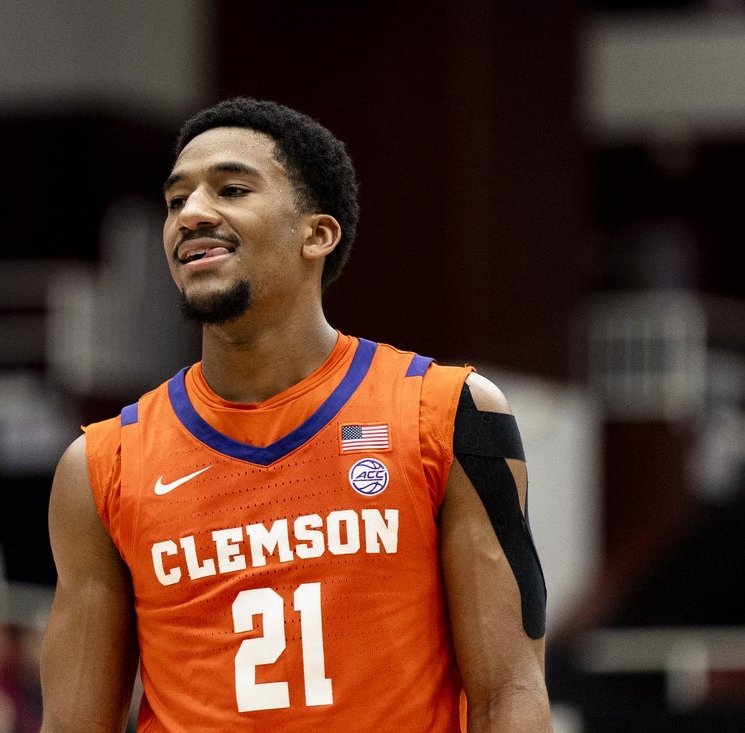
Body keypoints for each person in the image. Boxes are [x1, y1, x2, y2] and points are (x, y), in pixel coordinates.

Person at [40, 97, 552, 732]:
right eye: (175, 201)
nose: (191, 215)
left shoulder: (446, 413)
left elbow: (510, 692)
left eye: (231, 189)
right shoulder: (101, 466)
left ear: (317, 234)